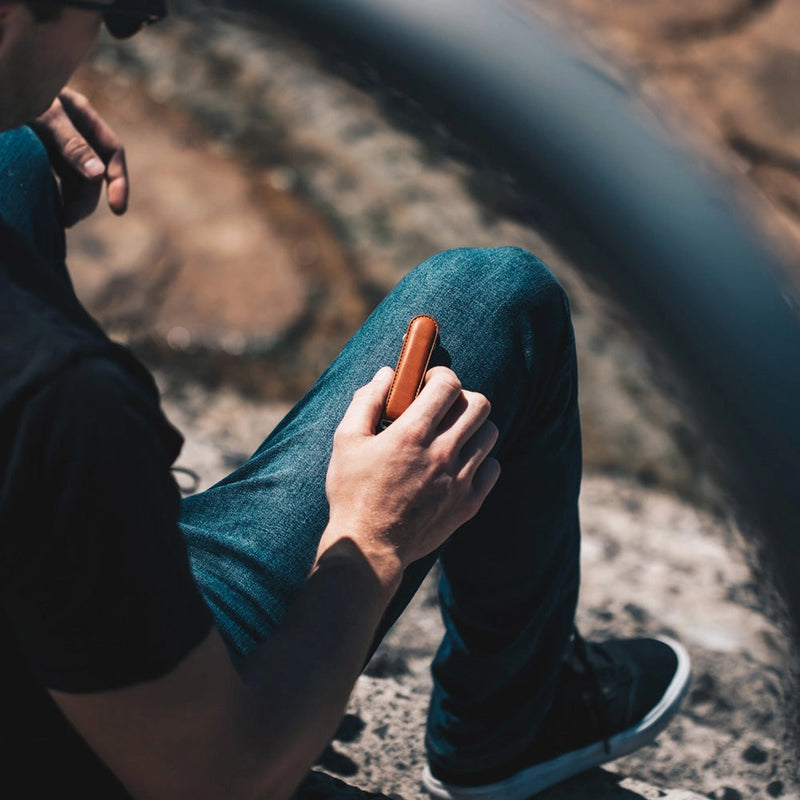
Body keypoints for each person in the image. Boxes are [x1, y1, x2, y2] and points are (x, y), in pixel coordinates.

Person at [0, 1, 692, 797]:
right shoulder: (58, 398)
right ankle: (511, 723)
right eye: (119, 9)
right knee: (498, 300)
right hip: (109, 730)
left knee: (18, 150)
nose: (114, 38)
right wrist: (373, 540)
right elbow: (219, 780)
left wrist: (15, 99)